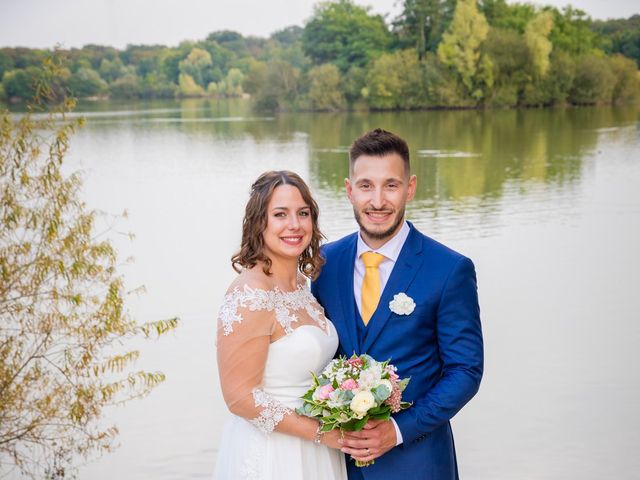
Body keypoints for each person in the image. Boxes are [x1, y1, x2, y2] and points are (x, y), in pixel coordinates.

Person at [312, 129, 484, 480]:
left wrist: (398, 429)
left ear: (410, 187)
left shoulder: (449, 269)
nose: (377, 201)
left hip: (417, 463)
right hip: (335, 464)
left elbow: (465, 371)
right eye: (365, 186)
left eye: (390, 185)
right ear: (349, 190)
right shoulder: (322, 264)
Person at [213, 171, 347, 480]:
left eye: (303, 213)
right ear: (259, 223)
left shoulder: (302, 285)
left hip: (318, 449)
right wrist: (321, 433)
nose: (294, 225)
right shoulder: (250, 294)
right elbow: (240, 397)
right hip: (276, 453)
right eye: (280, 215)